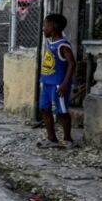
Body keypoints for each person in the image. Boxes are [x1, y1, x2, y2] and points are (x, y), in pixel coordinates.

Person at [37, 14, 77, 149]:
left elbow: (72, 63)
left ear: (52, 28)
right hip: (47, 83)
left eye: (45, 26)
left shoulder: (63, 45)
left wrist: (65, 83)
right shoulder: (50, 43)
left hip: (58, 84)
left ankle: (67, 139)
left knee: (62, 112)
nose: (43, 29)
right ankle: (51, 138)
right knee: (44, 109)